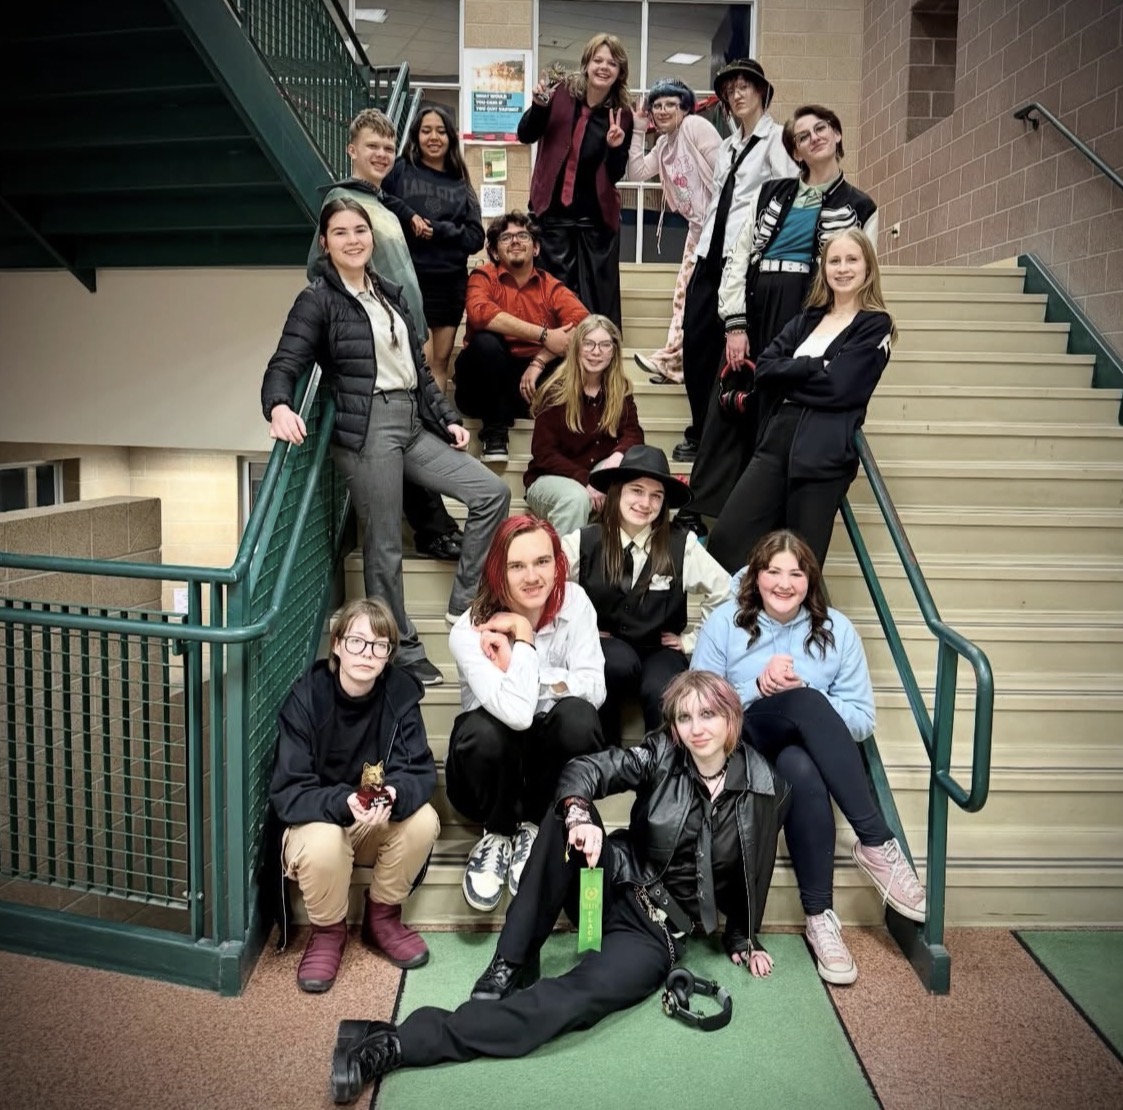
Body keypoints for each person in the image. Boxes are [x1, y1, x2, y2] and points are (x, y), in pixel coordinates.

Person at [329, 670, 790, 1102]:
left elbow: (757, 865)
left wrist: (743, 936)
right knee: (563, 812)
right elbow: (585, 770)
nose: (696, 728)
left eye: (708, 714)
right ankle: (511, 960)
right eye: (685, 717)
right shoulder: (661, 754)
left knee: (573, 1000)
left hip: (654, 933)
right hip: (610, 878)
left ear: (731, 717)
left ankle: (395, 1041)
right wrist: (579, 815)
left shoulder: (765, 786)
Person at [262, 198, 511, 687]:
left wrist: (448, 419)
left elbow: (419, 371)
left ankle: (464, 603)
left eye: (360, 230)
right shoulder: (318, 300)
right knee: (384, 548)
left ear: (372, 238)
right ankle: (402, 648)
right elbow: (285, 361)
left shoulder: (389, 293)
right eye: (340, 232)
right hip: (366, 428)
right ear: (325, 243)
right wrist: (278, 406)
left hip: (412, 422)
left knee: (492, 493)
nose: (353, 240)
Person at [691, 530, 926, 985]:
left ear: (810, 580)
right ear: (756, 576)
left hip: (796, 756)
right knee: (804, 705)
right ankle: (876, 841)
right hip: (741, 743)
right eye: (773, 571)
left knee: (800, 764)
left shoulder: (837, 630)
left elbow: (861, 720)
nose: (784, 583)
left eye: (796, 573)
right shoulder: (726, 622)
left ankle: (819, 918)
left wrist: (808, 693)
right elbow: (697, 703)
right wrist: (757, 688)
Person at [685, 105, 879, 526]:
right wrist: (735, 323)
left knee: (777, 410)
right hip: (757, 306)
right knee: (730, 406)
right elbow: (739, 257)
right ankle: (701, 511)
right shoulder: (770, 192)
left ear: (837, 134)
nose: (814, 138)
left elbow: (861, 274)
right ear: (795, 151)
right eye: (803, 136)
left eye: (821, 128)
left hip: (808, 314)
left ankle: (766, 519)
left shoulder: (861, 205)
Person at [311, 106, 463, 563]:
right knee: (404, 432)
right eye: (371, 146)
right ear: (351, 150)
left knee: (414, 427)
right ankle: (434, 529)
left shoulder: (381, 203)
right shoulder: (343, 201)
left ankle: (435, 527)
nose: (381, 154)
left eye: (388, 147)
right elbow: (317, 269)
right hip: (374, 343)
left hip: (404, 336)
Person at [268, 598, 440, 993]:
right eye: (357, 641)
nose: (367, 653)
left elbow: (419, 771)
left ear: (388, 655)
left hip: (371, 823)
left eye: (379, 645)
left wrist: (392, 794)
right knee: (325, 840)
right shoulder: (307, 698)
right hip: (317, 825)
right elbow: (289, 791)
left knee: (424, 819)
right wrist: (342, 802)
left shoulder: (400, 694)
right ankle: (328, 932)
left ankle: (382, 918)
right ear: (337, 644)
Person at [705, 228, 896, 571]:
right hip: (776, 442)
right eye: (834, 261)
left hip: (823, 451)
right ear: (824, 268)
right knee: (726, 540)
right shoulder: (807, 319)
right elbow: (765, 368)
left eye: (852, 260)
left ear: (868, 267)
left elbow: (840, 387)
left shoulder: (875, 325)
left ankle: (795, 609)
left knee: (799, 563)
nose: (842, 268)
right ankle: (747, 605)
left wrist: (787, 379)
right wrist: (815, 366)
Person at [444, 516, 606, 914]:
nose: (532, 577)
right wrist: (527, 639)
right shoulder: (469, 629)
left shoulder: (575, 603)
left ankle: (535, 826)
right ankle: (497, 833)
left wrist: (524, 661)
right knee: (487, 729)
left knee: (579, 718)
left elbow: (595, 688)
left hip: (544, 769)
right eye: (517, 566)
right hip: (485, 774)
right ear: (498, 572)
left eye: (542, 562)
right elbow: (516, 716)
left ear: (558, 564)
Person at [560, 444, 731, 744]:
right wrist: (579, 630)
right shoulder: (584, 541)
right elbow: (550, 586)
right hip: (605, 646)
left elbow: (726, 592)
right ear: (618, 492)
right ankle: (605, 752)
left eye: (656, 496)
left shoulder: (682, 545)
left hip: (658, 648)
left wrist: (692, 640)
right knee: (613, 665)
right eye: (636, 491)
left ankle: (661, 762)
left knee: (664, 688)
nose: (645, 503)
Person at [672, 59, 795, 466]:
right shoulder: (727, 147)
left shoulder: (777, 140)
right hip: (709, 252)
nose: (737, 94)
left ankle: (721, 438)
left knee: (735, 350)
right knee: (696, 344)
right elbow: (715, 204)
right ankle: (699, 427)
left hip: (744, 258)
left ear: (762, 91)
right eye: (730, 89)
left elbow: (786, 196)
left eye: (745, 86)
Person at [517, 34, 634, 325]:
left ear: (620, 71)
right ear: (586, 64)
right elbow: (525, 135)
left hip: (596, 222)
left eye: (612, 63)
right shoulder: (559, 94)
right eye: (598, 60)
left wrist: (615, 148)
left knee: (597, 307)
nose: (603, 67)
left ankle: (599, 352)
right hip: (553, 216)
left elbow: (615, 174)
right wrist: (538, 107)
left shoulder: (622, 115)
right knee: (553, 302)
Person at [455, 211, 589, 462]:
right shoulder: (483, 277)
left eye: (523, 236)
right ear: (494, 252)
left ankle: (559, 444)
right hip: (483, 386)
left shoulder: (551, 286)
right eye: (506, 238)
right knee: (486, 343)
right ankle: (494, 434)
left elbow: (583, 323)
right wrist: (544, 335)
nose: (515, 241)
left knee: (577, 354)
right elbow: (480, 314)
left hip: (529, 385)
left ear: (536, 248)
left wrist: (540, 361)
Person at [626, 78, 722, 384]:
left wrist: (720, 229)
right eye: (657, 105)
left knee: (692, 297)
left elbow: (725, 174)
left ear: (685, 107)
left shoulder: (695, 127)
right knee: (682, 296)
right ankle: (675, 363)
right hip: (697, 230)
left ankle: (674, 361)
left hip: (719, 229)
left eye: (670, 104)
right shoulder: (664, 144)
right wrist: (638, 130)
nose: (663, 110)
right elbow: (637, 173)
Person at [382, 105, 485, 390]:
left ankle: (436, 419)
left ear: (451, 137)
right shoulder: (401, 170)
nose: (434, 137)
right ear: (416, 136)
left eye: (441, 131)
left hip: (450, 283)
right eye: (426, 131)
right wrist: (409, 215)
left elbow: (476, 237)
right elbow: (379, 198)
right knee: (421, 359)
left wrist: (438, 230)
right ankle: (417, 416)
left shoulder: (460, 182)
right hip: (410, 278)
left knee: (440, 362)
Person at [524, 315, 644, 536]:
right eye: (588, 344)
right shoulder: (555, 391)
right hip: (551, 479)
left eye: (604, 345)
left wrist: (616, 457)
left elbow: (633, 434)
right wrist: (587, 481)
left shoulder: (620, 390)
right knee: (577, 499)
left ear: (614, 351)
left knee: (622, 485)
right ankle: (565, 559)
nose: (596, 352)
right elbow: (544, 454)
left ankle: (618, 556)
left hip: (596, 474)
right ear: (576, 348)